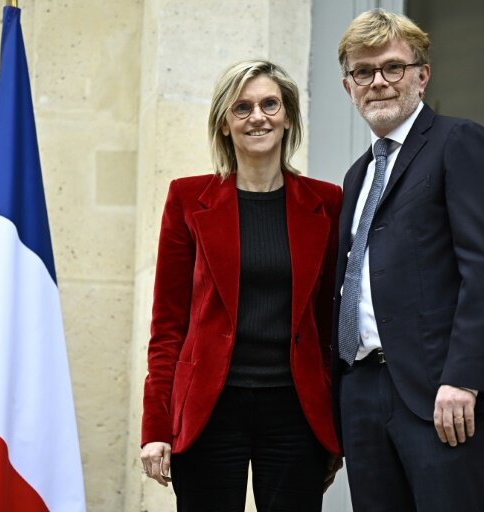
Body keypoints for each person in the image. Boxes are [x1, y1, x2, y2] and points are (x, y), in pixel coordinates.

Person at [332, 9, 484, 512]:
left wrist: (463, 376)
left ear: (422, 75)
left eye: (393, 67)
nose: (378, 82)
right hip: (362, 391)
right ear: (347, 86)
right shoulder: (356, 176)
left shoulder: (458, 142)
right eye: (363, 71)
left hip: (439, 392)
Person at [140, 59, 343, 512]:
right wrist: (156, 426)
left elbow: (330, 326)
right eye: (242, 107)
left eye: (270, 104)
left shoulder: (327, 203)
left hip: (295, 412)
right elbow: (167, 327)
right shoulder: (188, 199)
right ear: (225, 123)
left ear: (287, 115)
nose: (258, 117)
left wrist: (332, 423)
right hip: (210, 411)